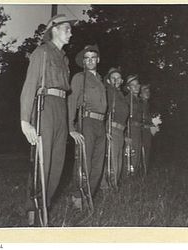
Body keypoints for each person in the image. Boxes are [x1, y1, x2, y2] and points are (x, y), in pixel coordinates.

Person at [20, 14, 76, 224]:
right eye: (66, 29)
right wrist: (25, 120)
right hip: (45, 107)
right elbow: (29, 86)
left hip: (61, 108)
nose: (70, 33)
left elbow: (67, 93)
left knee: (58, 162)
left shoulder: (65, 59)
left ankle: (45, 203)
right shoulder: (41, 53)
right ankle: (33, 207)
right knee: (42, 161)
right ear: (54, 29)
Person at [68, 44, 107, 209]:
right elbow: (71, 102)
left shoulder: (100, 80)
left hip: (100, 124)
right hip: (87, 122)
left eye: (93, 57)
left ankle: (88, 195)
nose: (90, 61)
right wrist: (71, 127)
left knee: (98, 165)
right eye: (87, 58)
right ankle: (77, 196)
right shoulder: (79, 78)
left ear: (98, 59)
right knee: (84, 162)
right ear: (83, 62)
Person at [100, 67, 129, 189]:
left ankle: (113, 185)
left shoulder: (120, 94)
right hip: (111, 128)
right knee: (112, 159)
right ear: (108, 81)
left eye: (118, 78)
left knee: (118, 159)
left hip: (120, 130)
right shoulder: (108, 92)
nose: (116, 80)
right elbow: (104, 111)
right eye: (113, 78)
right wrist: (105, 129)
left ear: (122, 81)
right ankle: (107, 187)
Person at [125, 75, 143, 174]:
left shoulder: (138, 100)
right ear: (128, 88)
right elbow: (125, 117)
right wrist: (126, 135)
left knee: (137, 154)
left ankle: (133, 177)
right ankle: (128, 177)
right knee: (131, 154)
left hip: (137, 130)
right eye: (133, 85)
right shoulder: (128, 99)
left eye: (137, 84)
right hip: (131, 130)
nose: (136, 87)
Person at [140, 84, 153, 175]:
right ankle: (141, 172)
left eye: (148, 91)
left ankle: (145, 173)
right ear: (140, 93)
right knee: (141, 151)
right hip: (141, 130)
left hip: (147, 131)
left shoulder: (147, 104)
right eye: (145, 90)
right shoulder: (139, 103)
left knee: (147, 150)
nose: (147, 93)